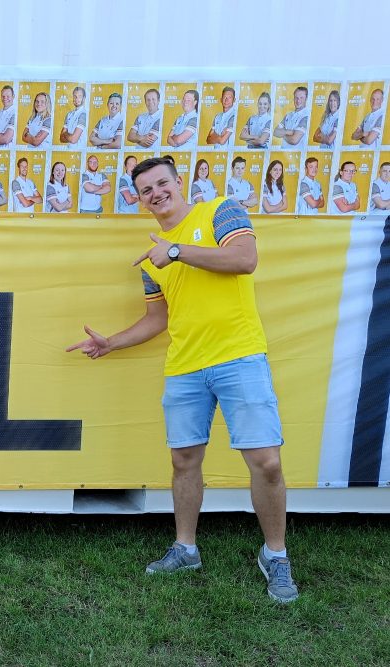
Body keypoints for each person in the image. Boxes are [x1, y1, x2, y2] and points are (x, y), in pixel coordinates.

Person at [66, 155, 300, 605]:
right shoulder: (151, 258)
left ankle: (276, 554)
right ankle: (185, 548)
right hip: (185, 367)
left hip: (240, 358)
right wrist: (111, 342)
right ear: (139, 200)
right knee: (184, 462)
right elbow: (158, 319)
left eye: (161, 184)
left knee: (267, 463)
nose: (156, 193)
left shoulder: (219, 210)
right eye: (145, 190)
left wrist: (175, 250)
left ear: (180, 183)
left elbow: (244, 259)